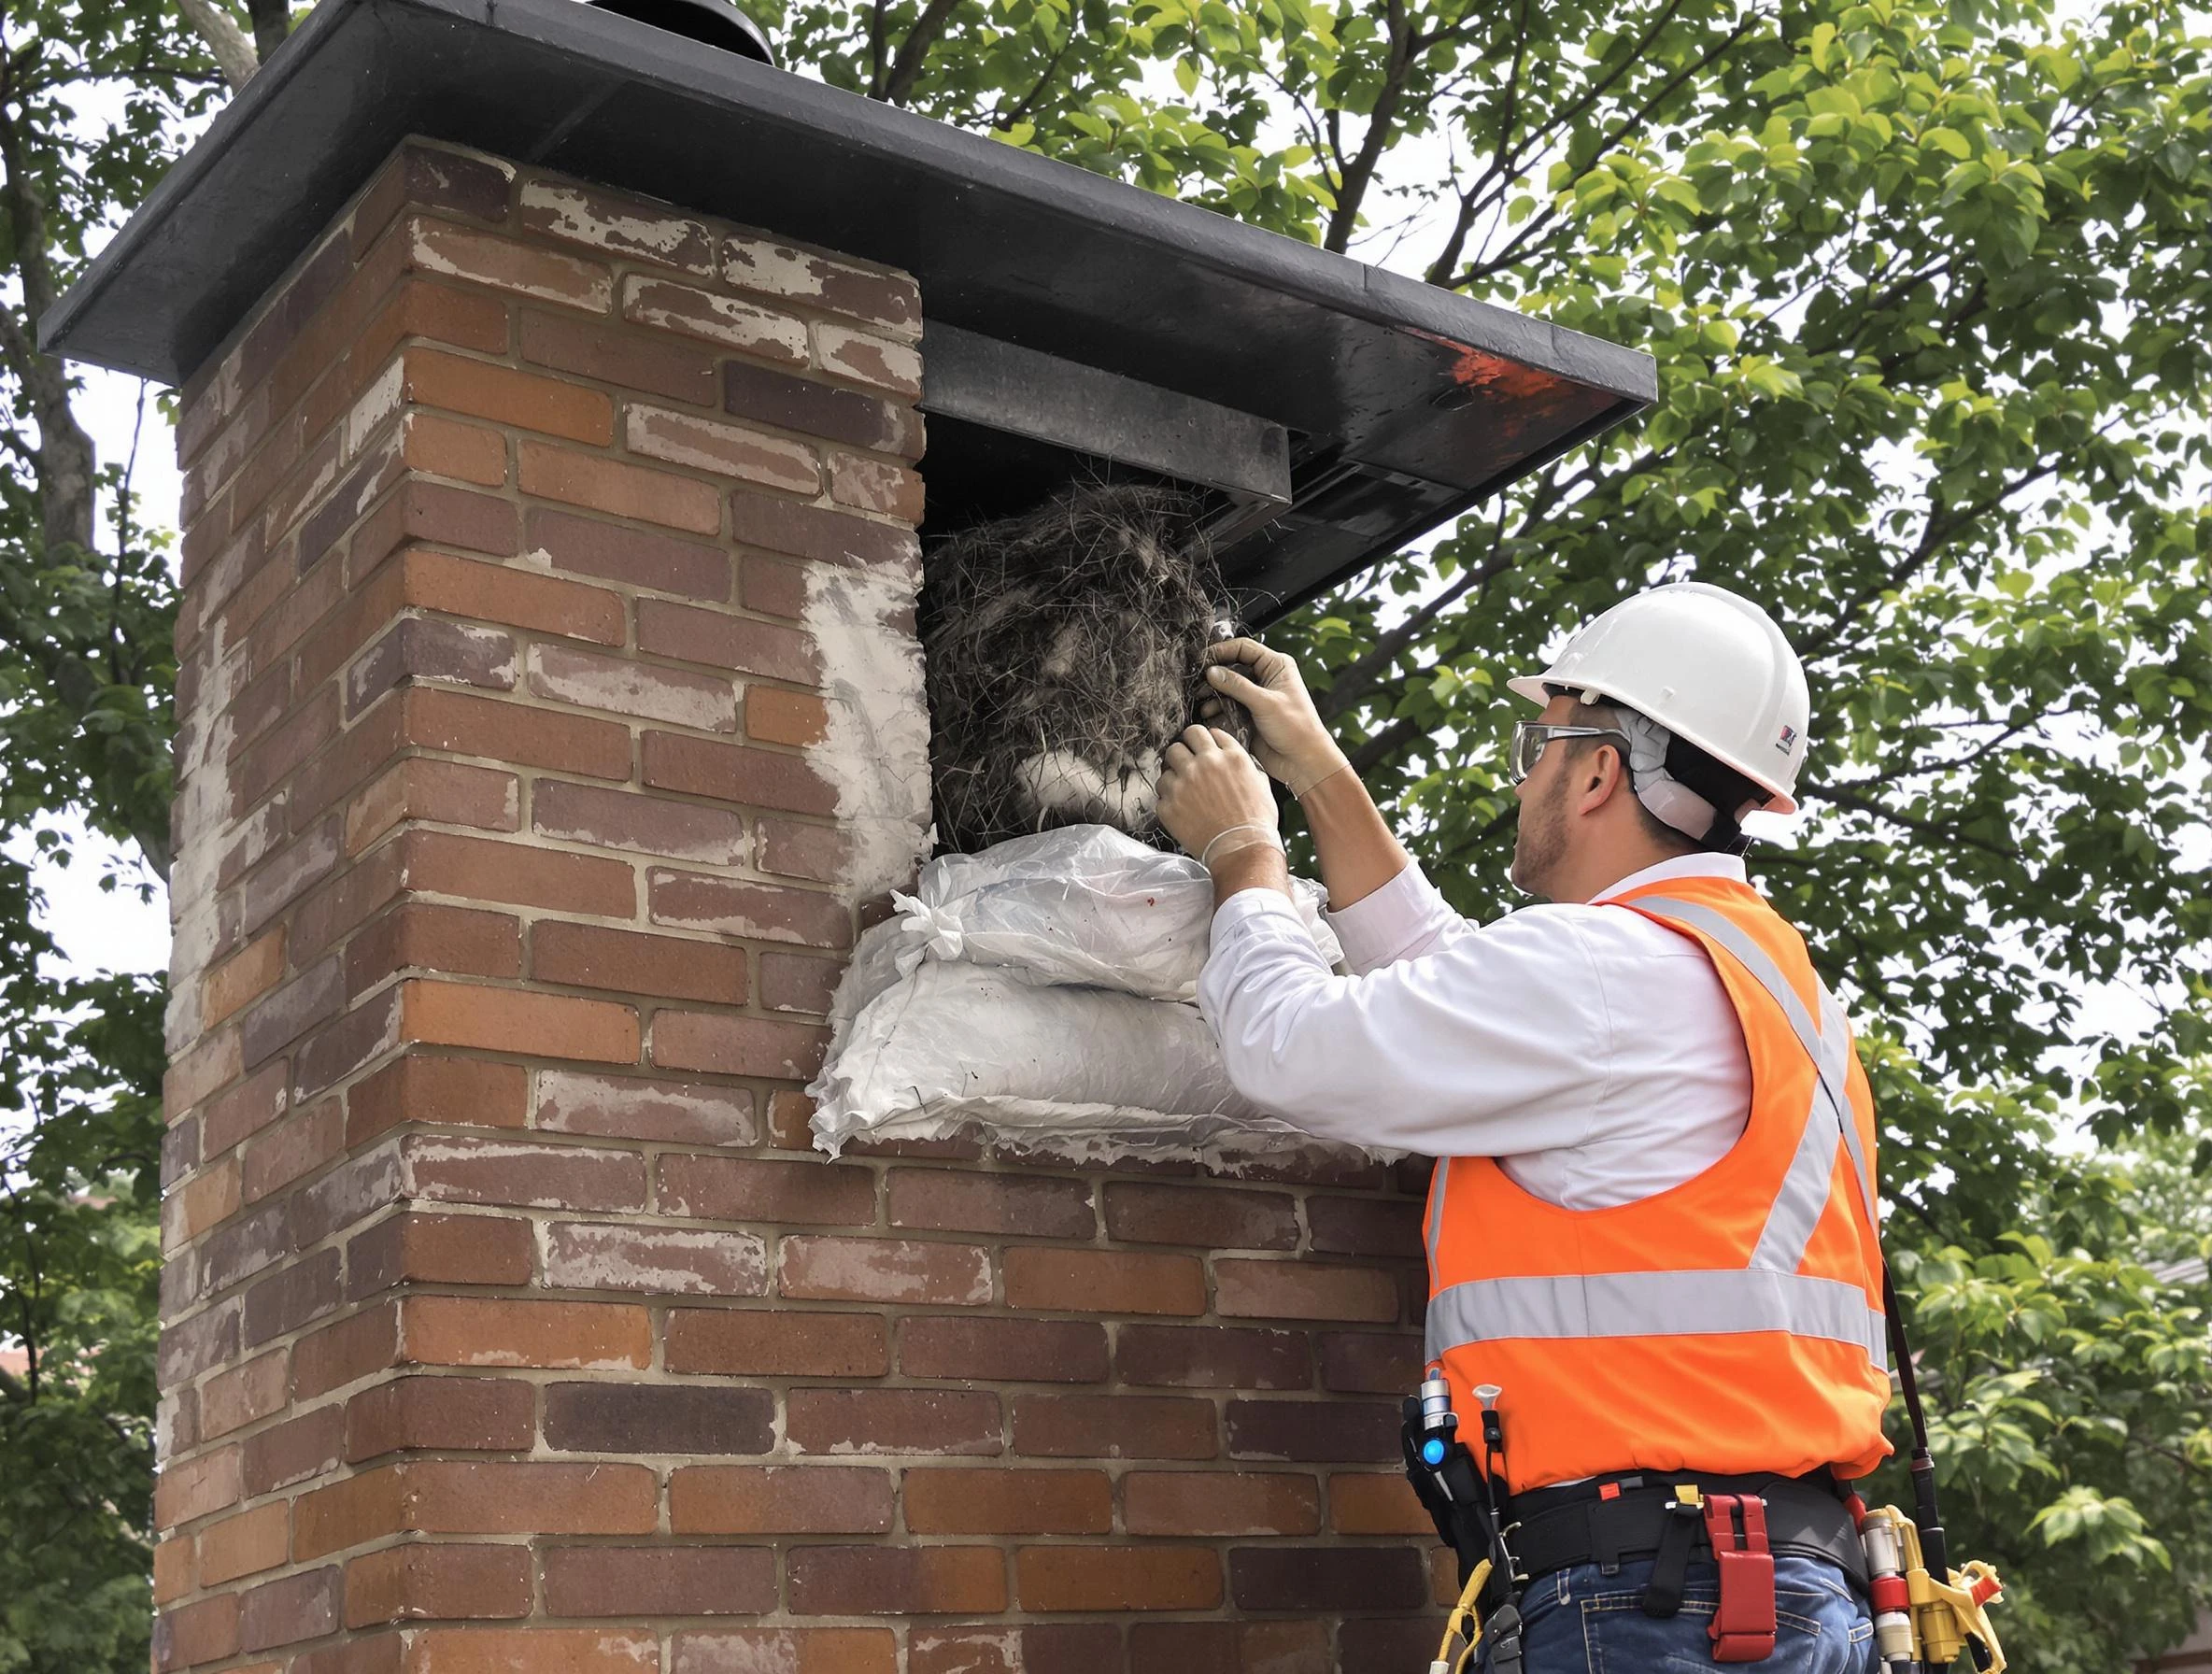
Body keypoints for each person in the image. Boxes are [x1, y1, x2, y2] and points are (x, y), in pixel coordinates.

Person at [1155, 582, 1890, 1672]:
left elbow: (1287, 1047)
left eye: (1538, 744)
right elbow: (1455, 992)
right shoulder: (1758, 980)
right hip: (1783, 1581)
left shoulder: (1600, 966)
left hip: (1650, 1595)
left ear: (1597, 771)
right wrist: (1319, 775)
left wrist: (1241, 854)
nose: (1523, 775)